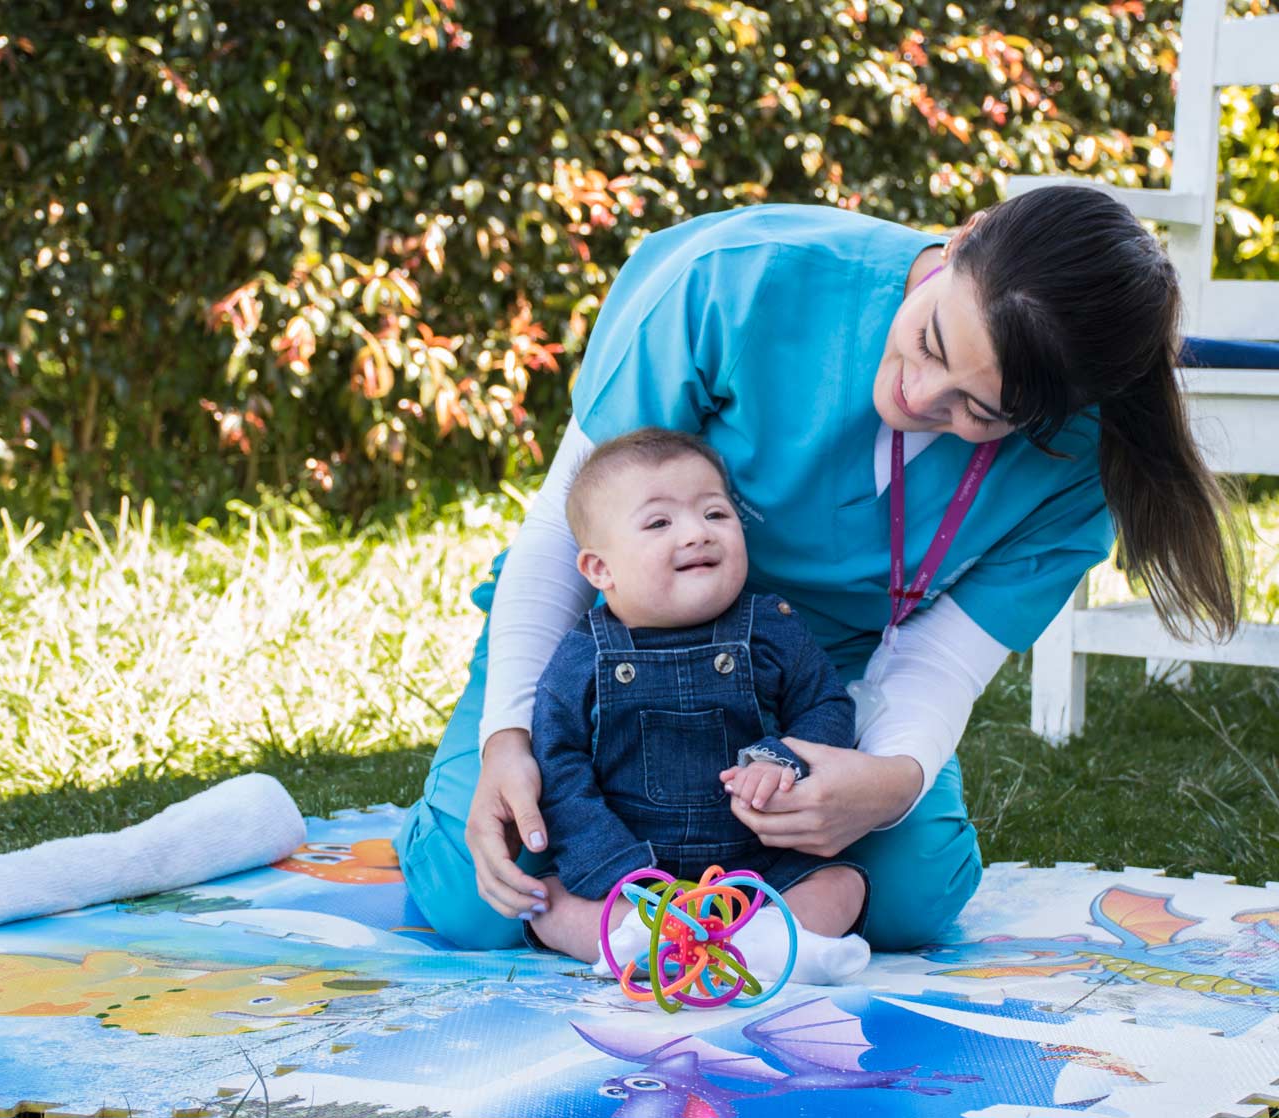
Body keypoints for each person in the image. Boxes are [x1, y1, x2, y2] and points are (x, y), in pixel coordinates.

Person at [394, 188, 1240, 952]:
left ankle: (678, 906)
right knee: (473, 901)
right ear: (965, 235)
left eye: (978, 412)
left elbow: (939, 659)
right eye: (930, 339)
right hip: (617, 638)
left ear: (1052, 416)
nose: (919, 395)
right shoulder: (735, 281)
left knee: (917, 895)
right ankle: (576, 869)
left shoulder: (1078, 462)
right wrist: (509, 731)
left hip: (823, 682)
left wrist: (888, 782)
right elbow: (565, 533)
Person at [528, 426, 869, 982]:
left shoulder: (773, 629)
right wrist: (614, 867)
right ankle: (635, 941)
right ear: (600, 569)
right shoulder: (581, 656)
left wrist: (780, 758)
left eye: (715, 514)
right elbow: (558, 765)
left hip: (759, 865)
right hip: (634, 872)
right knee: (544, 900)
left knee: (843, 883)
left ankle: (774, 943)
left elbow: (827, 708)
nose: (697, 533)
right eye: (660, 522)